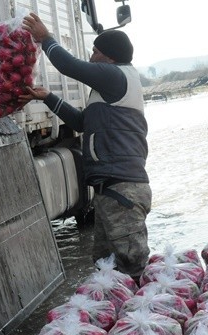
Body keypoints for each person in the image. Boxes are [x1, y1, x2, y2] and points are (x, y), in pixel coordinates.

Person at [20, 13, 151, 281]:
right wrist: (49, 98)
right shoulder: (114, 86)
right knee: (106, 267)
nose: (92, 57)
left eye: (96, 52)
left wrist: (45, 38)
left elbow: (70, 67)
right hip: (111, 190)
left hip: (121, 190)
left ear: (110, 58)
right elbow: (82, 122)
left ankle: (148, 315)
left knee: (132, 265)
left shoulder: (115, 75)